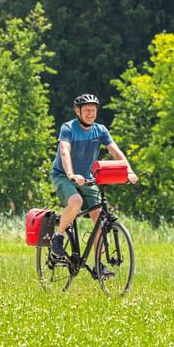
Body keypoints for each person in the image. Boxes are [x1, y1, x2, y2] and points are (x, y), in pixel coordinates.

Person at [49, 94, 138, 267]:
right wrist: (71, 174)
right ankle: (58, 236)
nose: (90, 113)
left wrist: (129, 171)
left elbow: (116, 153)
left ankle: (98, 264)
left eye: (93, 109)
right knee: (76, 201)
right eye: (87, 110)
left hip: (87, 179)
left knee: (100, 218)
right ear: (78, 111)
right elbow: (64, 151)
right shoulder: (68, 128)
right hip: (63, 175)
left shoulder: (101, 130)